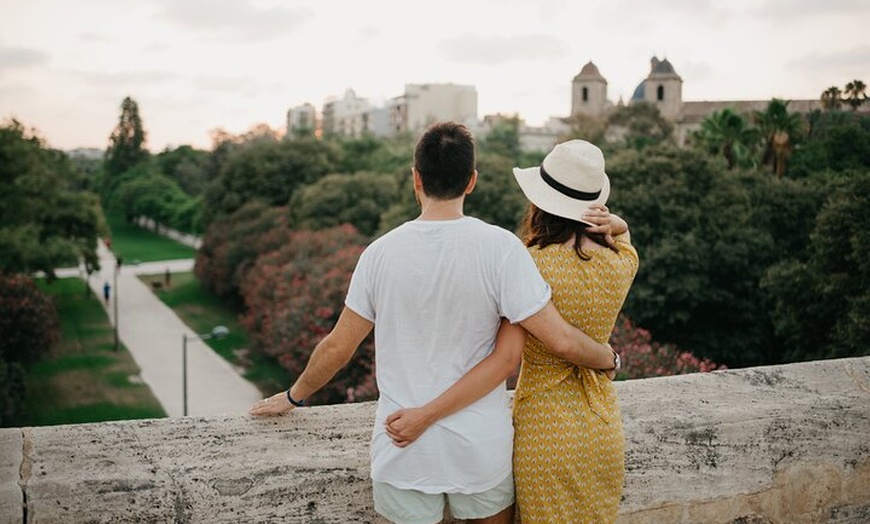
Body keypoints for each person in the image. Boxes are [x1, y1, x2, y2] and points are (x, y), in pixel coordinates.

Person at [249, 122, 619, 524]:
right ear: (472, 181)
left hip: (403, 450)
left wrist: (294, 396)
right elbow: (553, 343)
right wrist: (609, 358)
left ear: (416, 179)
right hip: (480, 450)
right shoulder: (502, 249)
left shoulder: (379, 254)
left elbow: (339, 347)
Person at [511, 139, 638, 523]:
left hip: (545, 428)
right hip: (602, 427)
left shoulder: (530, 264)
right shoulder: (623, 260)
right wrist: (614, 223)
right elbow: (624, 232)